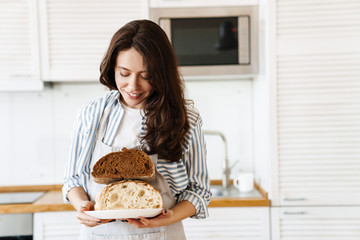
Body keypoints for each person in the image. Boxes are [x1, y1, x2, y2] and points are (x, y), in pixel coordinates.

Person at [62, 19, 211, 239]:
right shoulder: (90, 114)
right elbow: (73, 179)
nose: (133, 86)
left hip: (161, 234)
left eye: (146, 76)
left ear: (162, 74)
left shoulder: (185, 118)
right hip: (100, 234)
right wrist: (82, 206)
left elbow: (199, 191)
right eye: (124, 73)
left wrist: (169, 217)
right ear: (112, 68)